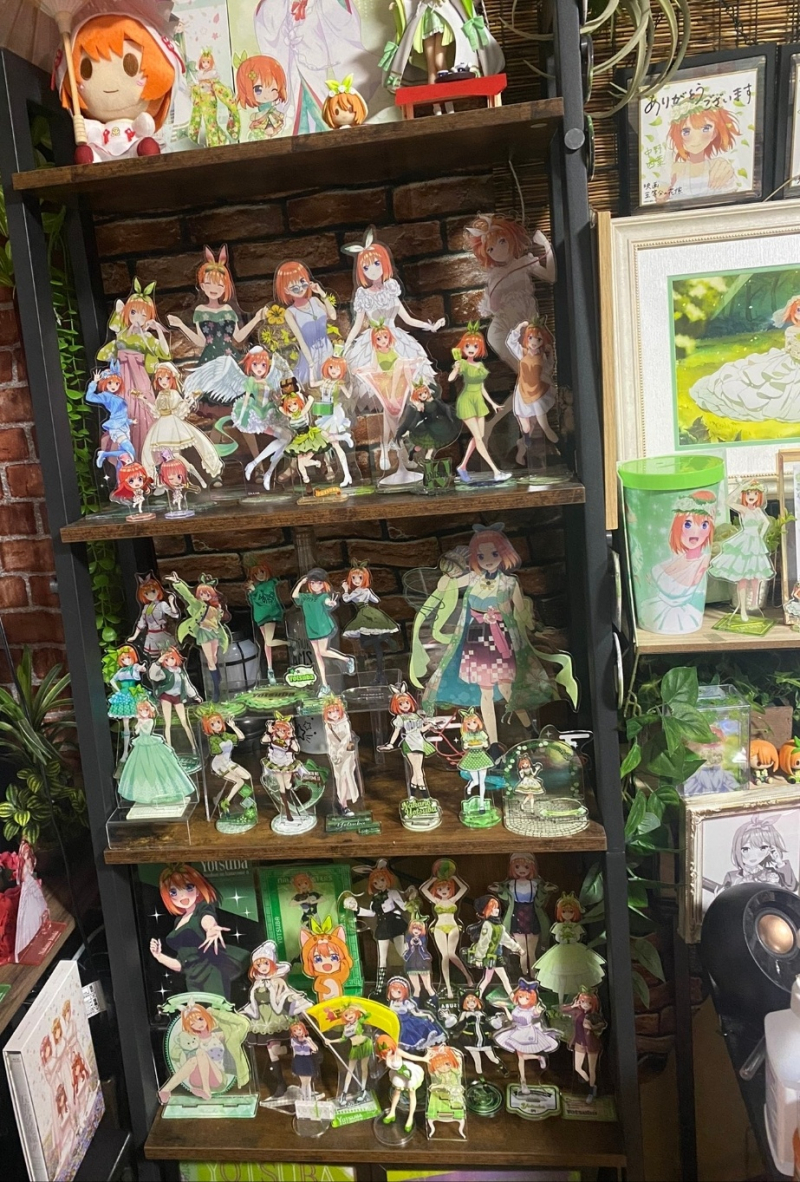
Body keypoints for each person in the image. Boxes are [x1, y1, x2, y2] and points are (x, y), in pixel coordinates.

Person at [148, 863, 249, 997]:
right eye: (174, 892)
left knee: (217, 1008)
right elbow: (181, 965)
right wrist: (159, 956)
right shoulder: (178, 921)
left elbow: (207, 918)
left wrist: (211, 928)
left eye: (189, 887)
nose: (182, 896)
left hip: (210, 972)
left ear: (198, 889)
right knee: (198, 1010)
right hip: (191, 978)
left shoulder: (202, 908)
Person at [637, 491, 717, 634]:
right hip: (653, 614)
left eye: (704, 525)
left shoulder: (702, 561)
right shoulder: (677, 557)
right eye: (688, 524)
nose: (695, 532)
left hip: (681, 620)